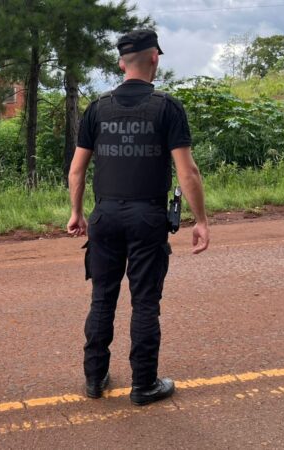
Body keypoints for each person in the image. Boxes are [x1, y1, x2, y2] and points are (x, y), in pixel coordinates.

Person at [67, 29, 210, 406]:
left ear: (120, 63)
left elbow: (77, 171)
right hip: (147, 217)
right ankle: (143, 384)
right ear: (155, 59)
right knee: (145, 303)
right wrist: (201, 220)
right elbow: (188, 172)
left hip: (105, 216)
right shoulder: (167, 107)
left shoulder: (97, 108)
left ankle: (95, 379)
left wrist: (76, 212)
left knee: (102, 298)